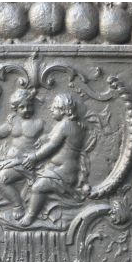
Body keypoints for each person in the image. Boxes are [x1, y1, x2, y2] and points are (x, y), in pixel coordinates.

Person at [0, 87, 44, 220]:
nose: (26, 110)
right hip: (7, 155)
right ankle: (5, 194)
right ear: (16, 108)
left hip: (23, 160)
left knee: (0, 181)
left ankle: (18, 205)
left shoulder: (39, 123)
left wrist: (44, 139)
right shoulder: (13, 121)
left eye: (29, 106)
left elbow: (54, 139)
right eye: (22, 107)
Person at [20, 93, 86, 226]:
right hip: (55, 169)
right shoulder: (65, 124)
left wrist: (35, 157)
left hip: (63, 173)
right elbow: (53, 137)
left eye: (54, 107)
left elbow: (52, 145)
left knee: (37, 187)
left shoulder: (65, 125)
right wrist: (44, 138)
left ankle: (31, 216)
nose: (51, 109)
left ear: (63, 110)